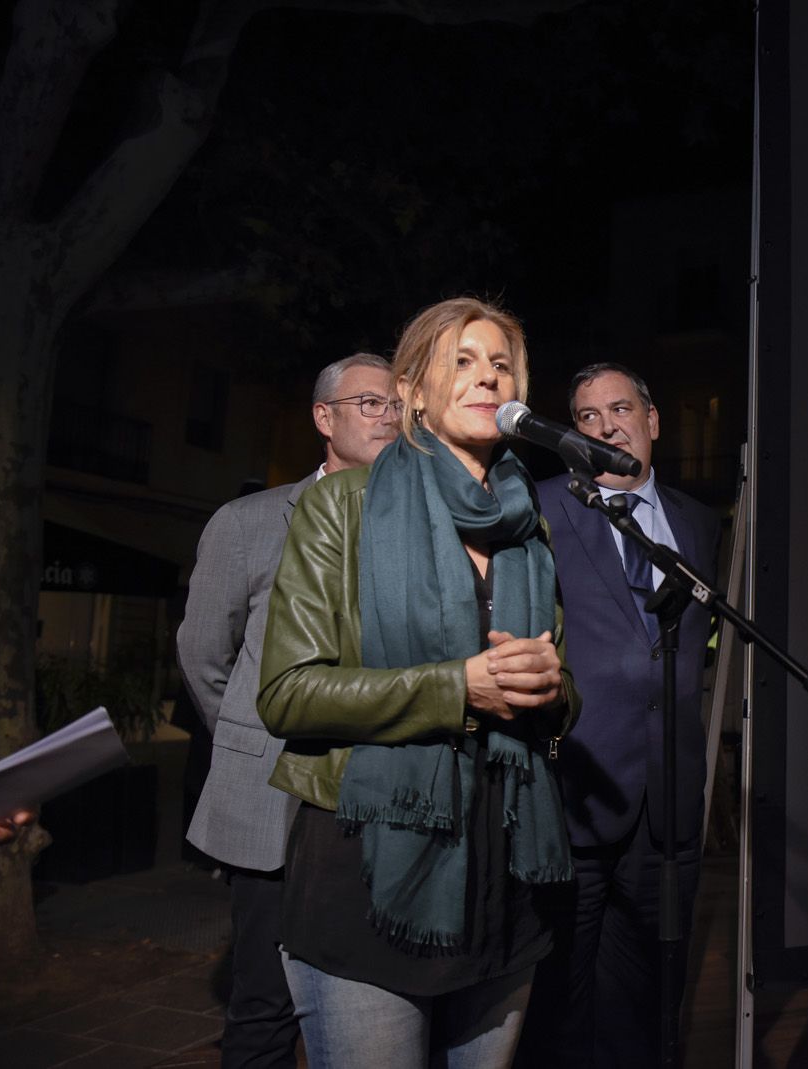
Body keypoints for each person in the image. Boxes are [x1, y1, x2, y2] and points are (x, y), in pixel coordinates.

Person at [255, 297, 578, 1068]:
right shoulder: (343, 507)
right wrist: (455, 687)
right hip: (367, 870)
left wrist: (553, 687)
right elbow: (287, 692)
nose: (487, 376)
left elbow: (562, 698)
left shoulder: (527, 524)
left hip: (502, 876)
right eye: (461, 360)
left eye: (501, 364)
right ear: (412, 393)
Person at [178, 352, 399, 1068]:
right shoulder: (248, 521)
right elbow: (205, 655)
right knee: (265, 1006)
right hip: (274, 797)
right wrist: (251, 736)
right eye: (370, 402)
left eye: (398, 403)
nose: (388, 416)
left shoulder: (418, 522)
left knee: (375, 1004)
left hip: (379, 800)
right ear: (322, 416)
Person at [521, 363, 720, 1067]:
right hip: (577, 787)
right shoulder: (541, 508)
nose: (606, 426)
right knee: (560, 999)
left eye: (620, 408)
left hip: (668, 796)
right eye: (586, 416)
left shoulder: (699, 524)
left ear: (653, 418)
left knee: (651, 994)